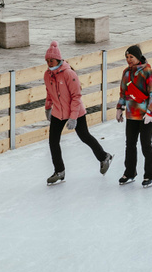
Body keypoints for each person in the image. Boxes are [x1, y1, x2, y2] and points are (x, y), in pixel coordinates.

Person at [42, 41, 112, 186]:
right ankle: (59, 171)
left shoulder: (69, 74)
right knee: (53, 141)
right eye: (47, 61)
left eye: (52, 60)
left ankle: (104, 157)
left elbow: (76, 97)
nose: (49, 63)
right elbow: (49, 93)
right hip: (58, 112)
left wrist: (73, 117)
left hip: (75, 111)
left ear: (59, 60)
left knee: (84, 136)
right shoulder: (47, 75)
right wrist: (48, 108)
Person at [116, 44, 152, 188]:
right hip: (131, 115)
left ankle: (151, 175)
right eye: (127, 57)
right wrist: (119, 108)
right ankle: (129, 173)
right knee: (130, 144)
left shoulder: (148, 72)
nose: (129, 60)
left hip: (146, 116)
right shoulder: (126, 73)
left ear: (138, 57)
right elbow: (123, 92)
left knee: (146, 145)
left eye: (131, 57)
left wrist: (150, 112)